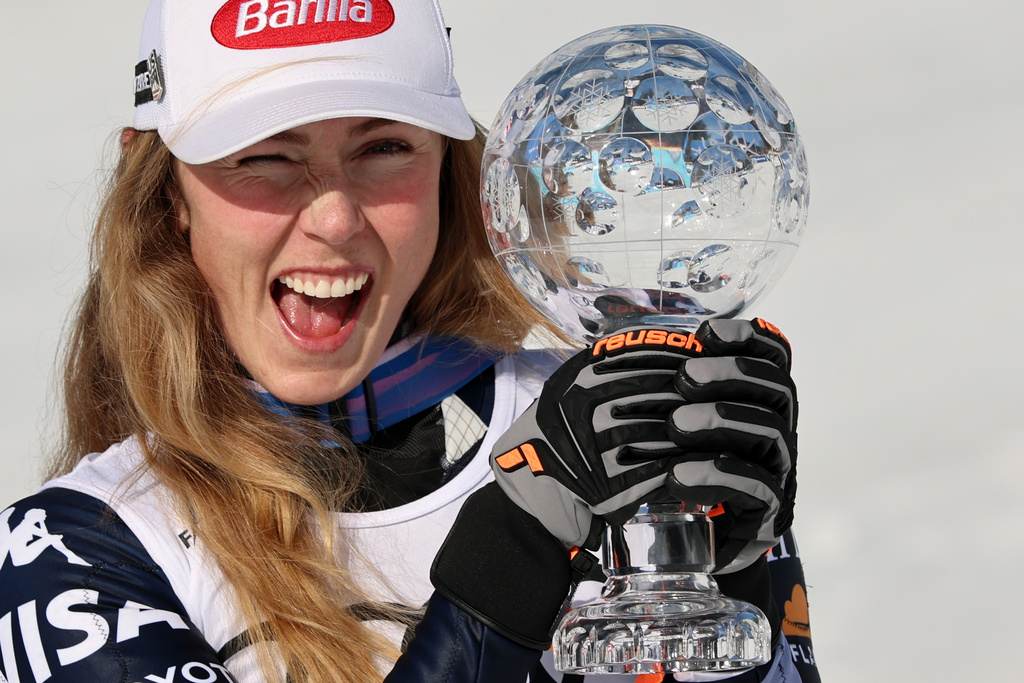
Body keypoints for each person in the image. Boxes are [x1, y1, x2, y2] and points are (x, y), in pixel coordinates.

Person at [0, 1, 819, 682]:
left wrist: (732, 583)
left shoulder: (610, 426)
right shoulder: (79, 548)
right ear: (167, 189)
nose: (334, 216)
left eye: (384, 147)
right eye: (264, 157)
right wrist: (514, 554)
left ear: (450, 164)